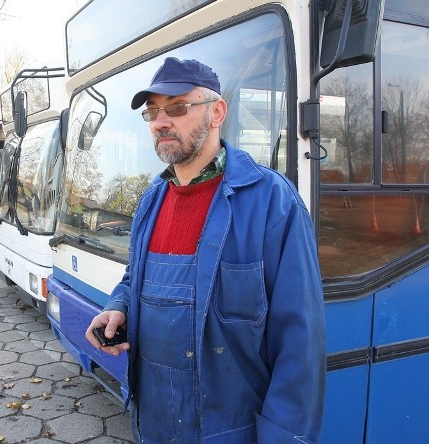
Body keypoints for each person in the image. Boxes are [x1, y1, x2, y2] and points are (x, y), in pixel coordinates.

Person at [85, 57, 326, 443]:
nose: (161, 121)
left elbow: (301, 346)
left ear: (217, 112)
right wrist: (118, 307)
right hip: (154, 423)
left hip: (231, 430)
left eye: (177, 108)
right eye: (152, 112)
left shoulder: (273, 203)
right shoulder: (151, 201)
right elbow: (134, 278)